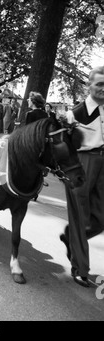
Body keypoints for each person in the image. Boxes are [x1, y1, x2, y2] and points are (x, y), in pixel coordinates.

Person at [60, 65, 104, 287]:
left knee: (101, 218)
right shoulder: (74, 114)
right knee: (79, 217)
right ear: (89, 85)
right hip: (82, 163)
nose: (103, 89)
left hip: (103, 164)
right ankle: (80, 268)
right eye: (99, 84)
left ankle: (72, 238)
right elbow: (63, 145)